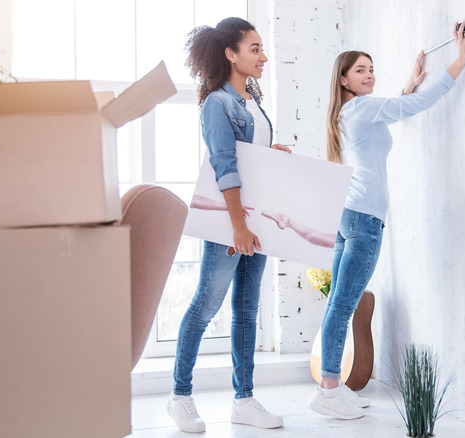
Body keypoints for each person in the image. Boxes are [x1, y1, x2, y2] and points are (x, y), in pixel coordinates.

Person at [308, 22, 465, 420]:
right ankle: (329, 390)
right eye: (360, 71)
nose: (369, 74)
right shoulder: (365, 108)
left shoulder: (348, 112)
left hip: (347, 216)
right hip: (364, 220)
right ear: (345, 81)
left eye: (371, 69)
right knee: (343, 304)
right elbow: (414, 107)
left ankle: (332, 386)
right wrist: (461, 60)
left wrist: (407, 83)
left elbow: (395, 108)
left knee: (338, 303)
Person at [167, 17, 291, 433]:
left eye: (262, 48)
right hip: (231, 223)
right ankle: (180, 397)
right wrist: (237, 227)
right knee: (206, 304)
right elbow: (225, 167)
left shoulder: (252, 100)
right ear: (230, 54)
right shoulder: (216, 104)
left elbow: (251, 159)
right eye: (254, 48)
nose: (263, 56)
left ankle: (244, 400)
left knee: (246, 309)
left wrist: (273, 152)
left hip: (258, 221)